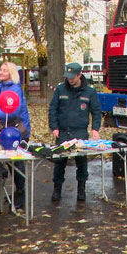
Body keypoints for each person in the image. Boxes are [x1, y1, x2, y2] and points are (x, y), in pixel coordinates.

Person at [48, 62, 101, 202]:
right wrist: (54, 127)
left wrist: (95, 129)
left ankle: (81, 190)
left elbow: (96, 112)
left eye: (72, 77)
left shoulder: (90, 91)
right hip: (63, 132)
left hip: (80, 132)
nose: (70, 79)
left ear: (79, 75)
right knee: (59, 162)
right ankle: (57, 189)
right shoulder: (60, 89)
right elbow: (53, 109)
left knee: (82, 162)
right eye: (68, 76)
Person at [0, 61, 31, 209]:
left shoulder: (16, 89)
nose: (1, 72)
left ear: (11, 73)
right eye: (0, 69)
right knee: (7, 161)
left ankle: (21, 193)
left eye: (4, 70)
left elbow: (13, 110)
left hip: (18, 127)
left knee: (17, 162)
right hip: (4, 126)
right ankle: (15, 191)